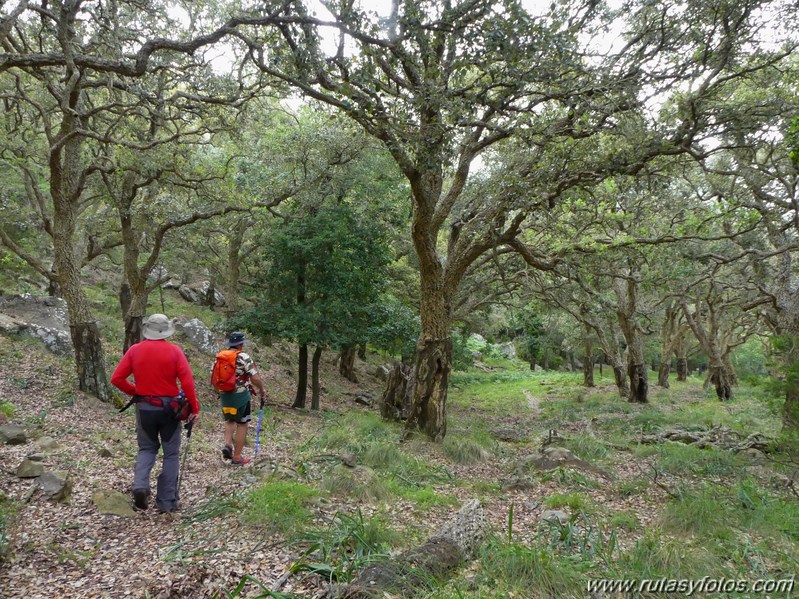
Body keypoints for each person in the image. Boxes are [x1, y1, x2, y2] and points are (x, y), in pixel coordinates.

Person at [111, 313, 200, 512]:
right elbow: (187, 383)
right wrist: (194, 408)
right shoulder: (175, 352)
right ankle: (166, 501)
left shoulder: (135, 350)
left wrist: (136, 392)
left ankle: (140, 486)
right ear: (166, 331)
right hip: (170, 410)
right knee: (171, 454)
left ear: (147, 330)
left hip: (144, 408)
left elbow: (117, 378)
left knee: (146, 448)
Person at [214, 331, 265, 465]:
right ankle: (237, 457)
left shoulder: (220, 357)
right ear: (240, 344)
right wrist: (261, 389)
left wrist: (219, 392)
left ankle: (228, 444)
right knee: (242, 423)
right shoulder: (244, 357)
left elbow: (213, 378)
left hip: (225, 394)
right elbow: (255, 378)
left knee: (230, 420)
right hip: (241, 395)